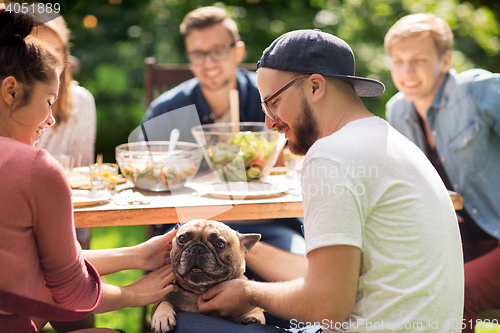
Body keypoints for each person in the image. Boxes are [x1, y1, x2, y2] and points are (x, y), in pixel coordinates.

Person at [167, 29, 465, 333]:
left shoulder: (331, 156)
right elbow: (326, 276)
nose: (270, 122)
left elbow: (326, 306)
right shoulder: (387, 140)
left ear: (314, 87)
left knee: (183, 325)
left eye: (274, 102)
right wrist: (228, 243)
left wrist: (247, 293)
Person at [0, 9, 178, 332]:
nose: (51, 119)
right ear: (11, 91)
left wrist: (138, 255)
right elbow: (71, 291)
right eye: (49, 100)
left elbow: (41, 272)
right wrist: (135, 293)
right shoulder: (35, 169)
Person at [142, 6, 304, 260]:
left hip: (266, 226)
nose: (209, 64)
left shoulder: (273, 99)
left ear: (238, 51)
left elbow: (300, 156)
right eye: (198, 54)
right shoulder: (166, 110)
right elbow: (145, 171)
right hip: (191, 231)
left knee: (302, 262)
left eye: (218, 51)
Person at [384, 13, 500, 333]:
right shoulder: (397, 110)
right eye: (398, 61)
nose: (407, 72)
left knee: (457, 296)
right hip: (455, 238)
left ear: (445, 59)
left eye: (419, 60)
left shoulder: (479, 90)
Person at [33, 16, 96, 168]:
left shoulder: (81, 102)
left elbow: (82, 171)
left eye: (56, 54)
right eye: (38, 53)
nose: (48, 65)